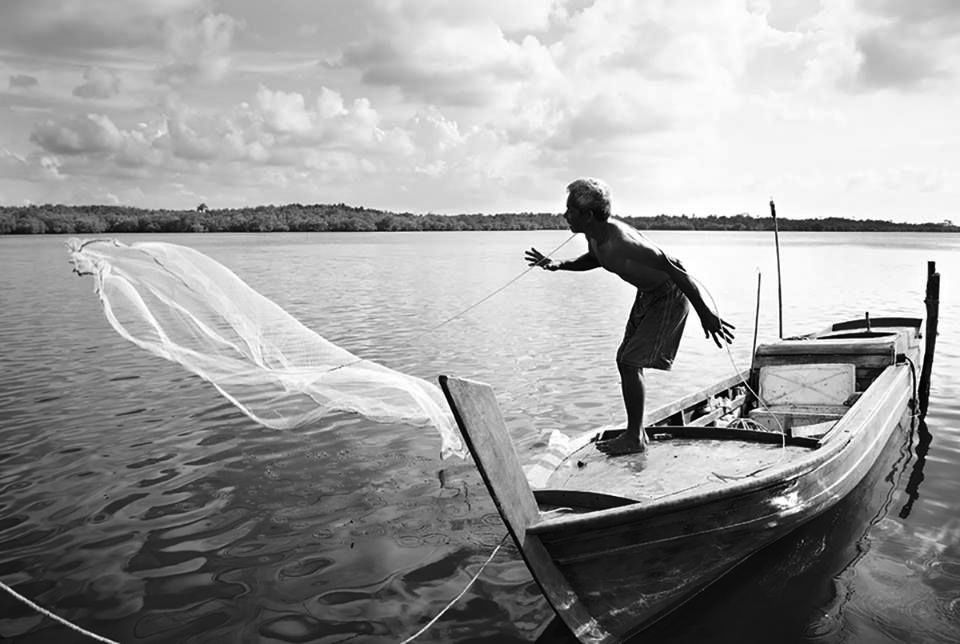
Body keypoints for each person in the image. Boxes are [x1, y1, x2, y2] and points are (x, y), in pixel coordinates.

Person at [524, 178, 735, 455]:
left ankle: (634, 438)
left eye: (570, 210)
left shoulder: (621, 241)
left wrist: (705, 313)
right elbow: (596, 258)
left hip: (668, 296)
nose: (565, 215)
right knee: (625, 360)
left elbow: (676, 267)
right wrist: (558, 264)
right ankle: (635, 434)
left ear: (588, 215)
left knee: (629, 361)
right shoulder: (595, 235)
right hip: (647, 294)